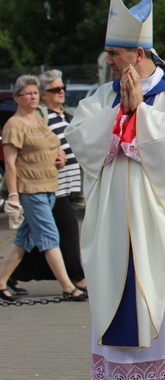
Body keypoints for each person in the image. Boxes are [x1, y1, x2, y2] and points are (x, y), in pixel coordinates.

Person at [65, 0, 165, 378]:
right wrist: (120, 114)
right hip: (113, 232)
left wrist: (138, 114)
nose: (108, 61)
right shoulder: (103, 96)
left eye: (114, 53)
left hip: (164, 232)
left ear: (139, 54)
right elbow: (80, 137)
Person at [0, 75, 86, 303]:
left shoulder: (39, 120)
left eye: (35, 93)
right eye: (27, 93)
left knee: (24, 238)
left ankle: (1, 281)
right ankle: (68, 286)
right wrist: (13, 195)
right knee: (50, 237)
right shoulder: (13, 125)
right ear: (17, 98)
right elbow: (10, 164)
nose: (32, 96)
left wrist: (58, 156)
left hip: (50, 186)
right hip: (30, 189)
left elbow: (53, 143)